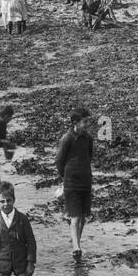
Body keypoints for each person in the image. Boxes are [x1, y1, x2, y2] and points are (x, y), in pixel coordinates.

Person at [55, 107, 95, 262]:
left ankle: (77, 242)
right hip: (71, 183)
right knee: (76, 216)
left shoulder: (88, 138)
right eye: (84, 122)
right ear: (75, 123)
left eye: (87, 121)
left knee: (84, 216)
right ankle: (76, 248)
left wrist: (85, 172)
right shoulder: (67, 139)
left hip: (86, 181)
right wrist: (64, 178)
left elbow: (88, 157)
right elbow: (59, 160)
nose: (87, 124)